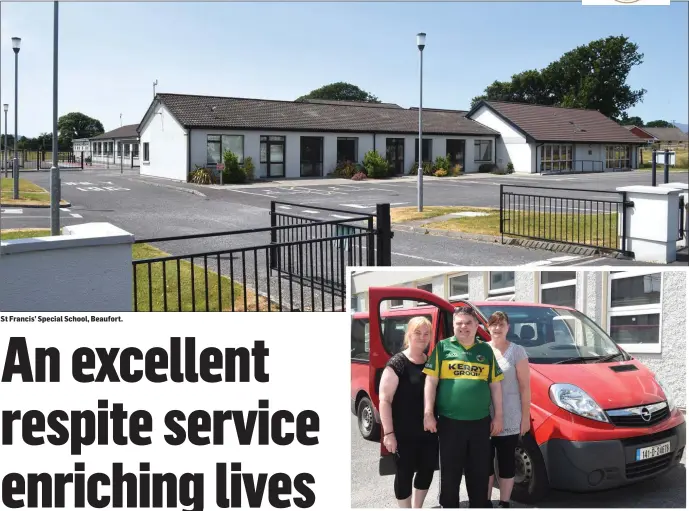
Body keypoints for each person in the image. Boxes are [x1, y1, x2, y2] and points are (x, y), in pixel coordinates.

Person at [423, 306, 504, 508]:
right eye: (459, 323)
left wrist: (499, 416)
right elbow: (431, 382)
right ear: (453, 326)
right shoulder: (442, 347)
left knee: (478, 472)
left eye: (468, 322)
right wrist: (428, 413)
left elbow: (495, 385)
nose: (464, 327)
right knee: (450, 474)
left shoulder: (485, 350)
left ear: (477, 326)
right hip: (450, 423)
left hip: (479, 423)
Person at [379, 316, 439, 508]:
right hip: (404, 433)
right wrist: (388, 434)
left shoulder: (430, 362)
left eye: (426, 333)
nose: (422, 337)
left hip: (428, 432)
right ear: (409, 335)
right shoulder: (397, 363)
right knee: (404, 474)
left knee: (427, 470)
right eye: (417, 333)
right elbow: (385, 400)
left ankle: (417, 507)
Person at [486, 311, 531, 508]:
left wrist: (526, 417)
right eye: (493, 324)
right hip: (484, 415)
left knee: (506, 461)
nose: (497, 328)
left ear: (508, 327)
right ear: (488, 327)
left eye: (501, 324)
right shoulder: (482, 349)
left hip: (511, 415)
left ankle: (504, 502)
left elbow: (524, 387)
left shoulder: (517, 351)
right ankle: (484, 501)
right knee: (485, 463)